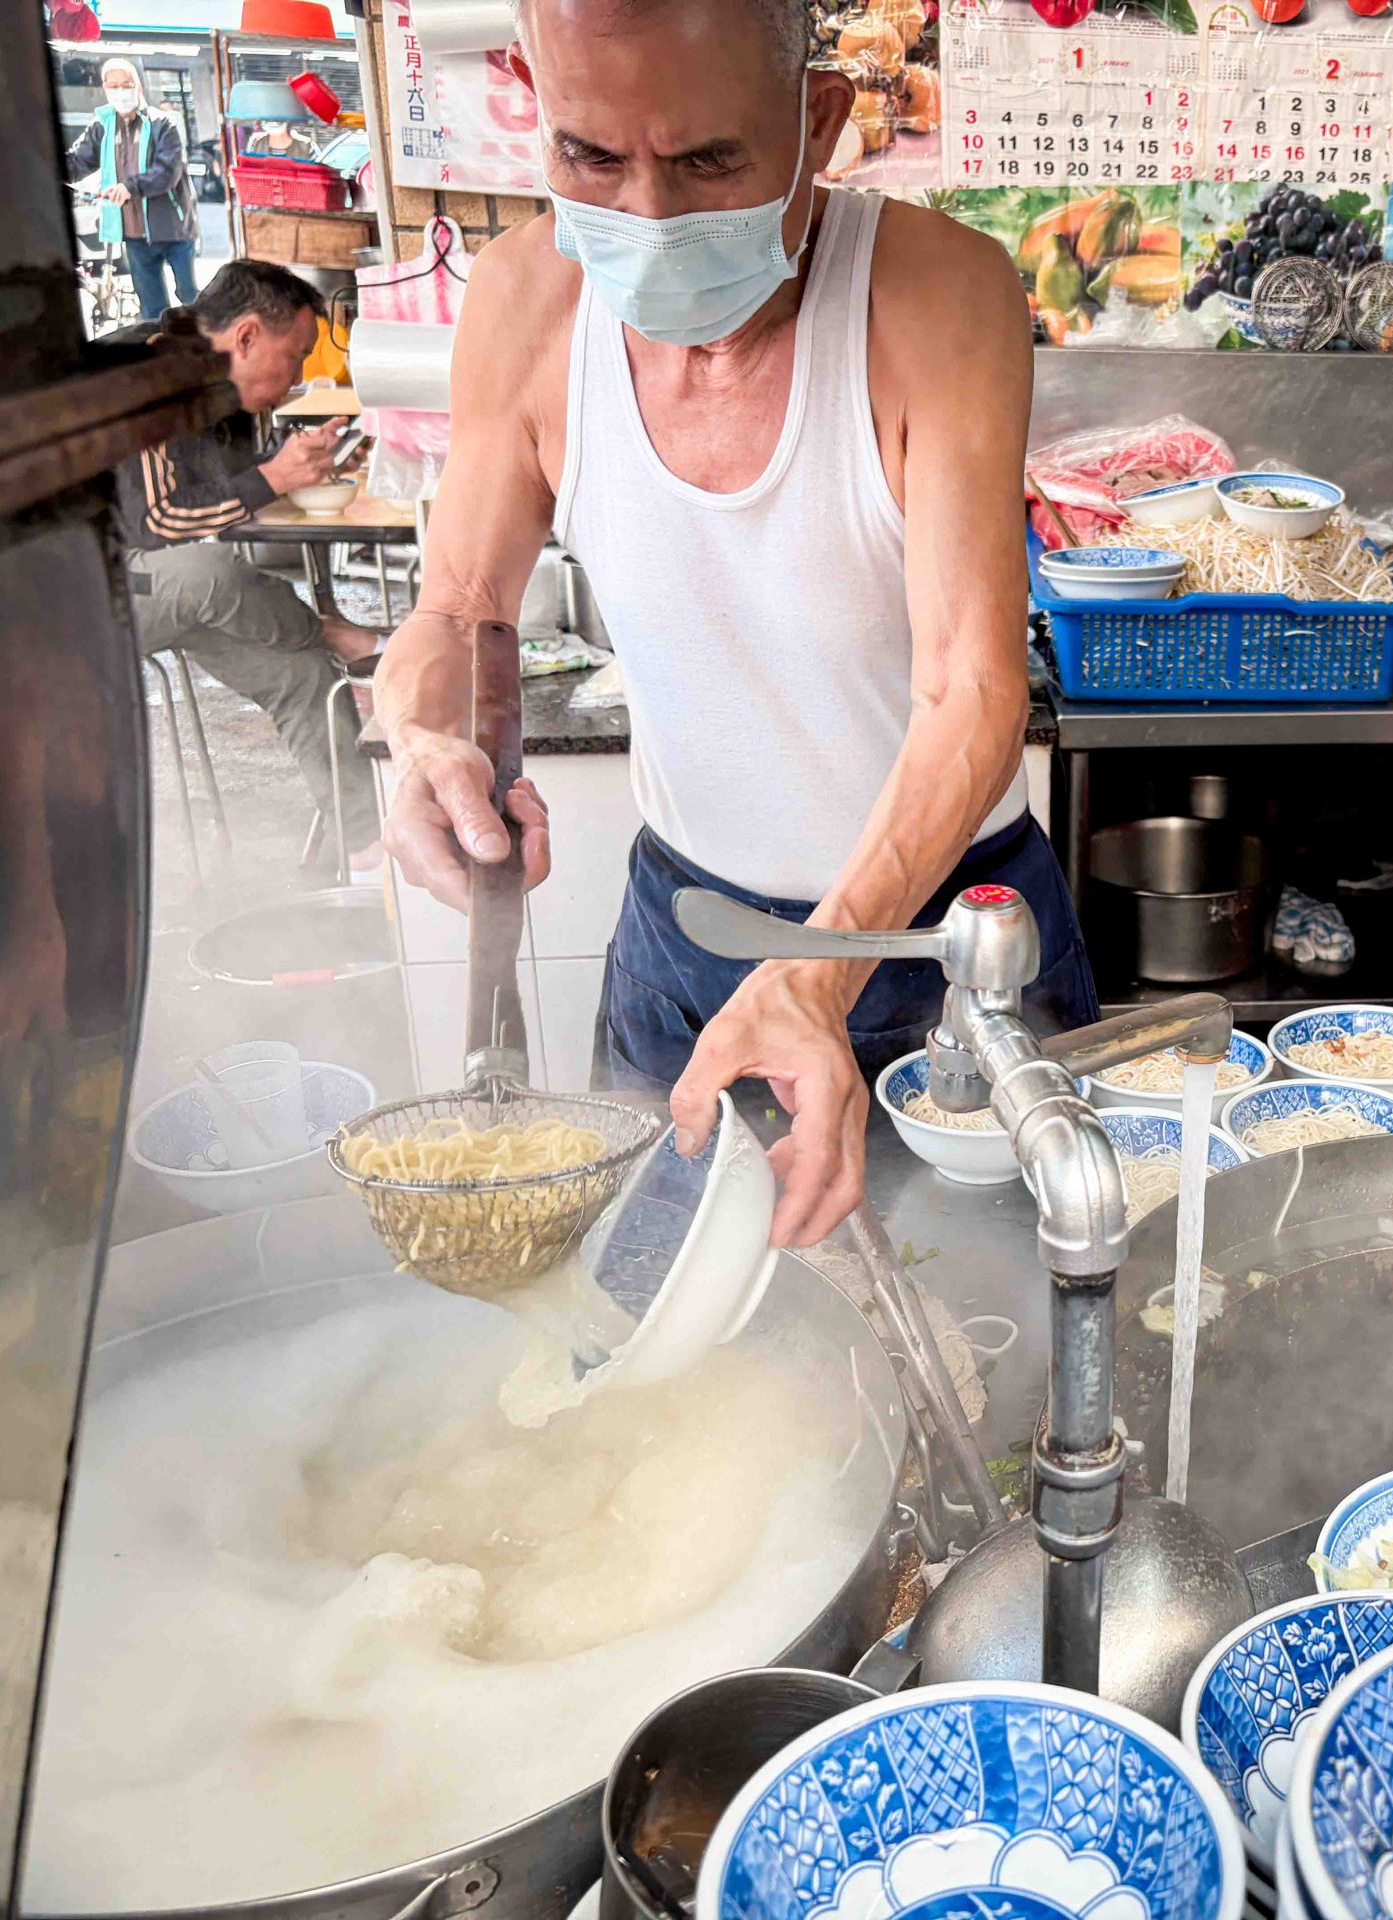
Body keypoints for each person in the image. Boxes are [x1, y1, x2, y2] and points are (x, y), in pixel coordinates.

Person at [372, 0, 1094, 1250]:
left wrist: (818, 975)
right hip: (685, 930)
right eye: (592, 158)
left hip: (939, 940)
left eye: (707, 161)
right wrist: (423, 742)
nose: (647, 218)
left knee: (994, 1345)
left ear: (816, 125)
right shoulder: (524, 299)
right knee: (664, 1341)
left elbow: (974, 693)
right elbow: (460, 609)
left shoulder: (934, 294)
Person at [116, 261, 383, 862]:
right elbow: (156, 523)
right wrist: (272, 476)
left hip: (158, 591)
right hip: (71, 598)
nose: (296, 378)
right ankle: (330, 630)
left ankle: (365, 841)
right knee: (210, 574)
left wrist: (291, 466)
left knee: (303, 674)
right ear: (245, 337)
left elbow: (219, 486)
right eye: (295, 356)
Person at [66, 57, 199, 320]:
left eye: (125, 84)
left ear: (137, 86)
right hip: (134, 232)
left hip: (174, 228)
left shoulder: (163, 124)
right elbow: (78, 161)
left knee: (190, 298)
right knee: (151, 309)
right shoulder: (102, 126)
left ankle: (204, 351)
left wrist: (130, 187)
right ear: (105, 87)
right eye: (113, 86)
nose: (120, 91)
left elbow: (167, 173)